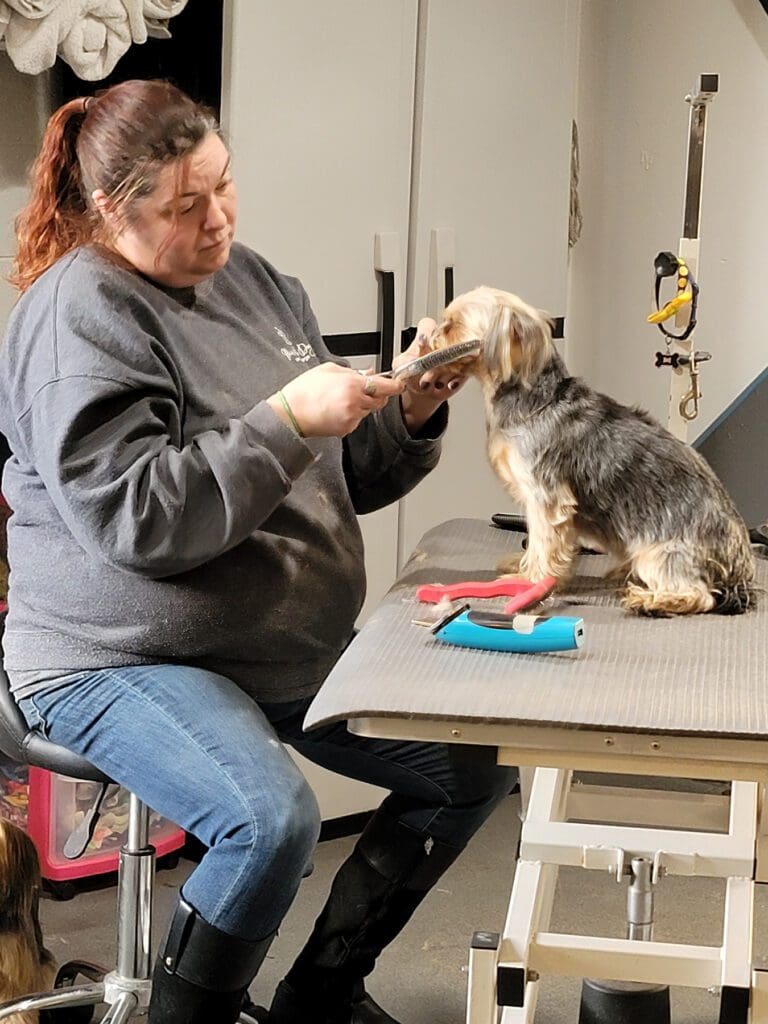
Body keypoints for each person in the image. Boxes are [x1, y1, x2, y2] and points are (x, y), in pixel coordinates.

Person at [0, 79, 516, 1024]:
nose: (218, 220)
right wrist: (284, 419)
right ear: (114, 209)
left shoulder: (257, 283)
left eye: (225, 185)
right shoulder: (83, 316)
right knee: (268, 819)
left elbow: (334, 477)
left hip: (270, 647)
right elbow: (138, 522)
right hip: (116, 656)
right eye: (185, 206)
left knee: (470, 766)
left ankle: (320, 996)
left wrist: (406, 414)